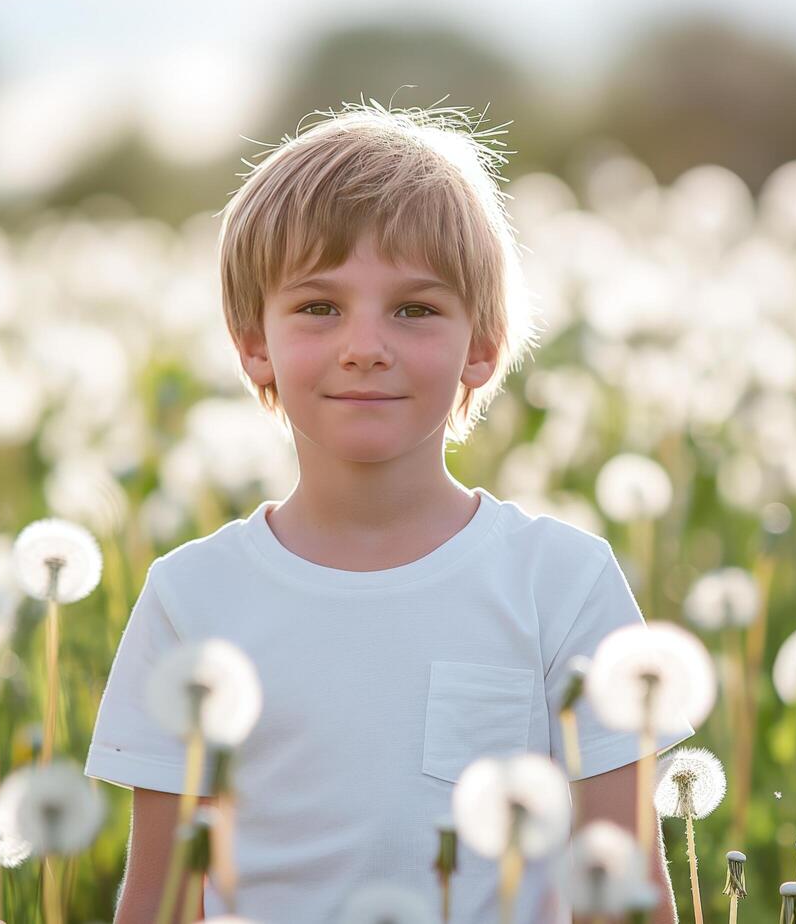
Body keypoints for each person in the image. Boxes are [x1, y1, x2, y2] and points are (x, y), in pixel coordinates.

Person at [85, 100, 689, 923]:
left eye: (415, 309)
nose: (364, 345)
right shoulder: (190, 598)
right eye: (318, 307)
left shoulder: (564, 584)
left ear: (482, 344)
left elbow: (627, 895)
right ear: (251, 341)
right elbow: (160, 901)